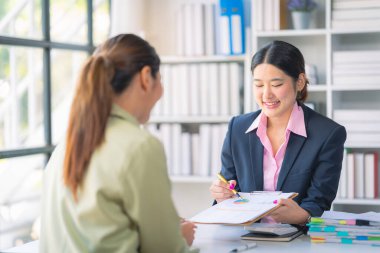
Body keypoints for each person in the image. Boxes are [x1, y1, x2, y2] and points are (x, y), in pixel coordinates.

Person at [40, 34, 198, 253]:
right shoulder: (140, 146)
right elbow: (167, 250)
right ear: (145, 78)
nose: (161, 92)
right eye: (160, 80)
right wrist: (179, 238)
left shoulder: (67, 145)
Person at [209, 40, 346, 225]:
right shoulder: (238, 128)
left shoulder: (328, 134)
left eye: (276, 84)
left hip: (297, 241)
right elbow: (231, 187)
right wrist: (222, 196)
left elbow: (318, 203)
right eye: (258, 85)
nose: (266, 95)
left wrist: (302, 216)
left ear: (299, 82)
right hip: (245, 239)